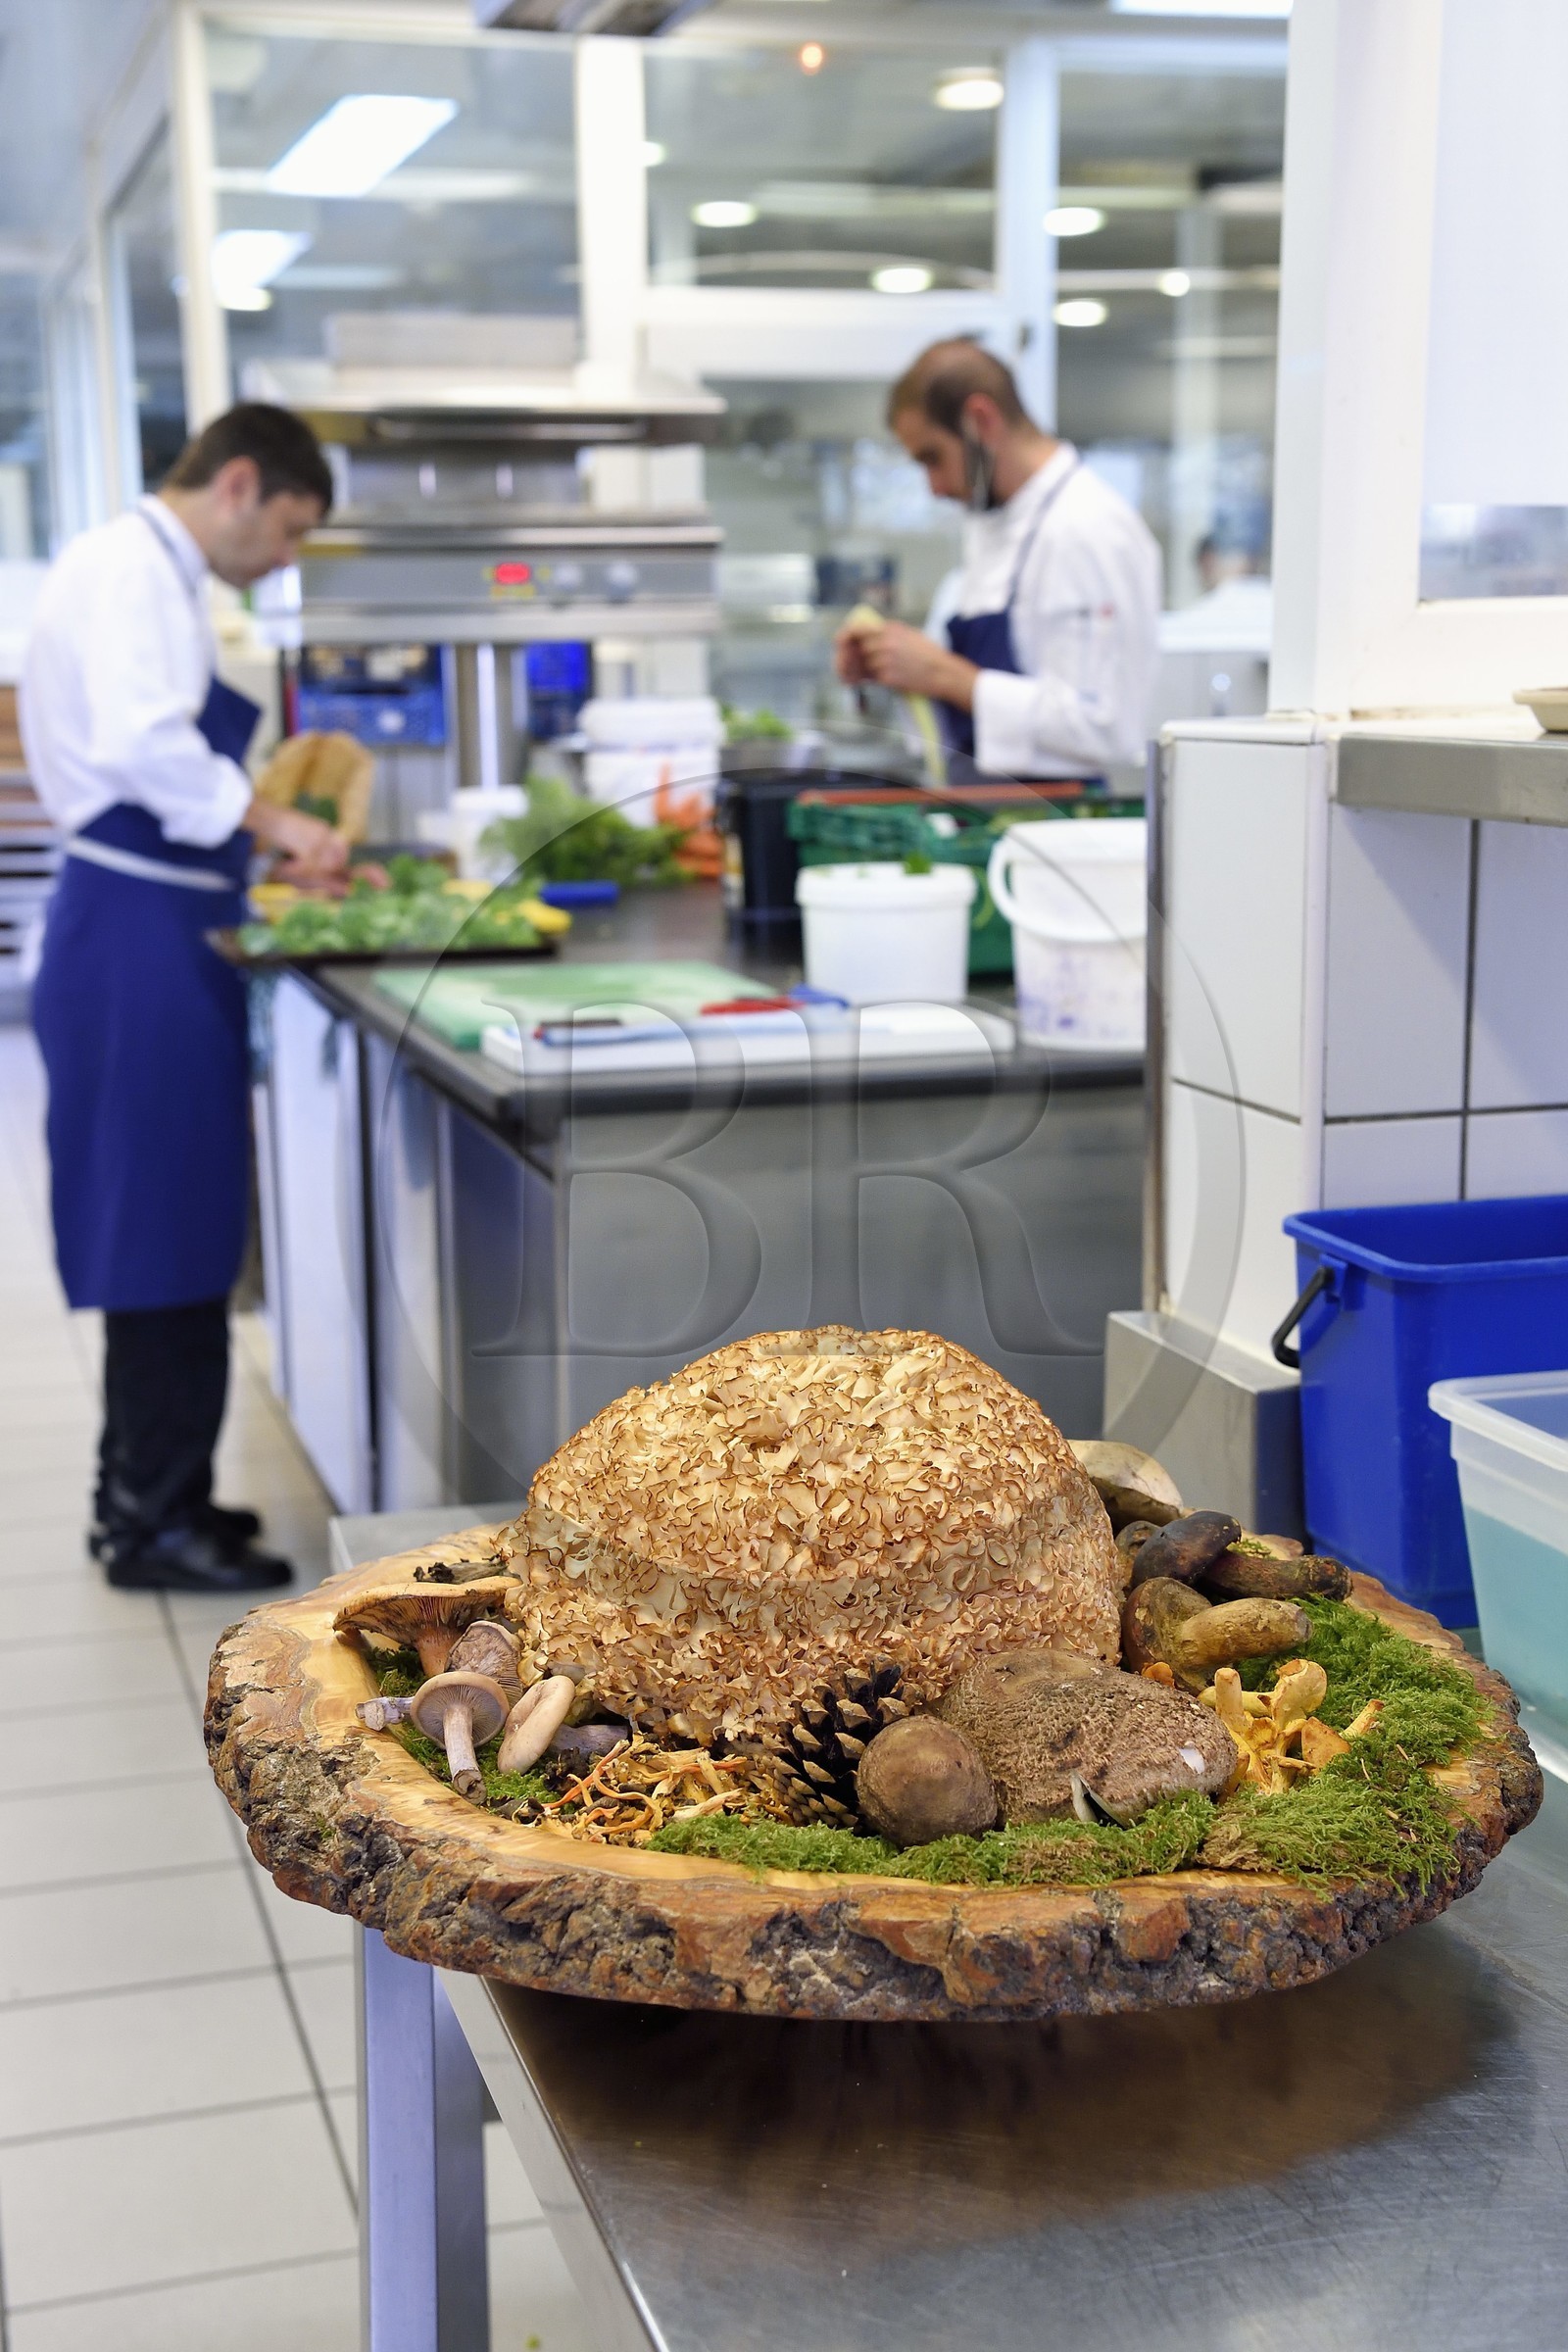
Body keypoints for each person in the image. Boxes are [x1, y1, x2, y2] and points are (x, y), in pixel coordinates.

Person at [22, 403, 349, 1593]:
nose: (286, 557)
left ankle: (149, 1498)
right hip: (136, 939)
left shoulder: (143, 572)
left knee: (173, 1226)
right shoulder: (131, 573)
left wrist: (250, 846)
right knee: (159, 1233)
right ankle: (153, 1520)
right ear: (242, 483)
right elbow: (150, 747)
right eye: (292, 528)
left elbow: (157, 771)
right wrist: (276, 820)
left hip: (154, 922)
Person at [835, 339, 1161, 786]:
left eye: (933, 458)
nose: (933, 488)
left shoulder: (1088, 529)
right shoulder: (991, 526)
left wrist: (943, 674)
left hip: (1058, 829)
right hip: (981, 816)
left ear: (980, 421)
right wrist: (892, 667)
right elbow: (968, 720)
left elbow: (1106, 727)